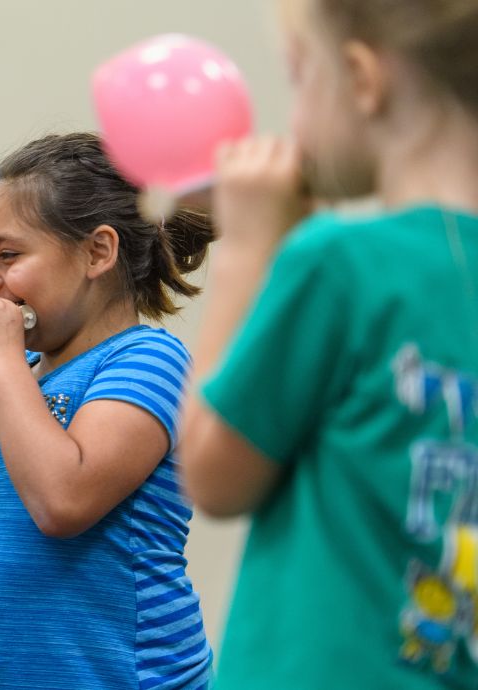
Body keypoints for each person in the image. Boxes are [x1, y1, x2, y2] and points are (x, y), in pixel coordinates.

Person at [178, 0, 478, 687]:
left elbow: (211, 473)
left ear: (361, 78)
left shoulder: (335, 261)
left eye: (300, 78)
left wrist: (248, 251)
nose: (296, 119)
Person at [0, 132, 215, 689]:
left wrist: (2, 361)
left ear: (97, 252)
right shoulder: (6, 389)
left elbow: (63, 501)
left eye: (9, 255)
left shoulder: (149, 358)